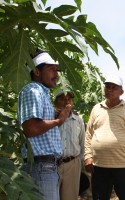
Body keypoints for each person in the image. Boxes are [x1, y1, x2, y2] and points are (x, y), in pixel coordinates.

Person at [17, 51, 71, 200]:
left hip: (47, 168)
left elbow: (37, 125)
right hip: (40, 168)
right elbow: (31, 128)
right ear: (37, 71)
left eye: (57, 70)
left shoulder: (43, 93)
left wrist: (55, 116)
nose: (57, 74)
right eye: (52, 69)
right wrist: (59, 121)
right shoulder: (33, 91)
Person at [84, 75, 125, 200]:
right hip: (99, 166)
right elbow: (89, 135)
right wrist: (88, 156)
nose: (109, 90)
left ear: (121, 92)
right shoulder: (96, 108)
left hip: (122, 166)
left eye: (113, 87)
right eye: (107, 87)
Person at [54, 89, 85, 200]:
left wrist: (78, 162)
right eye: (62, 99)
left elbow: (82, 142)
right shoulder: (50, 118)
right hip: (52, 165)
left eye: (69, 99)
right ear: (55, 102)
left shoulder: (78, 120)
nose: (66, 101)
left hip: (72, 163)